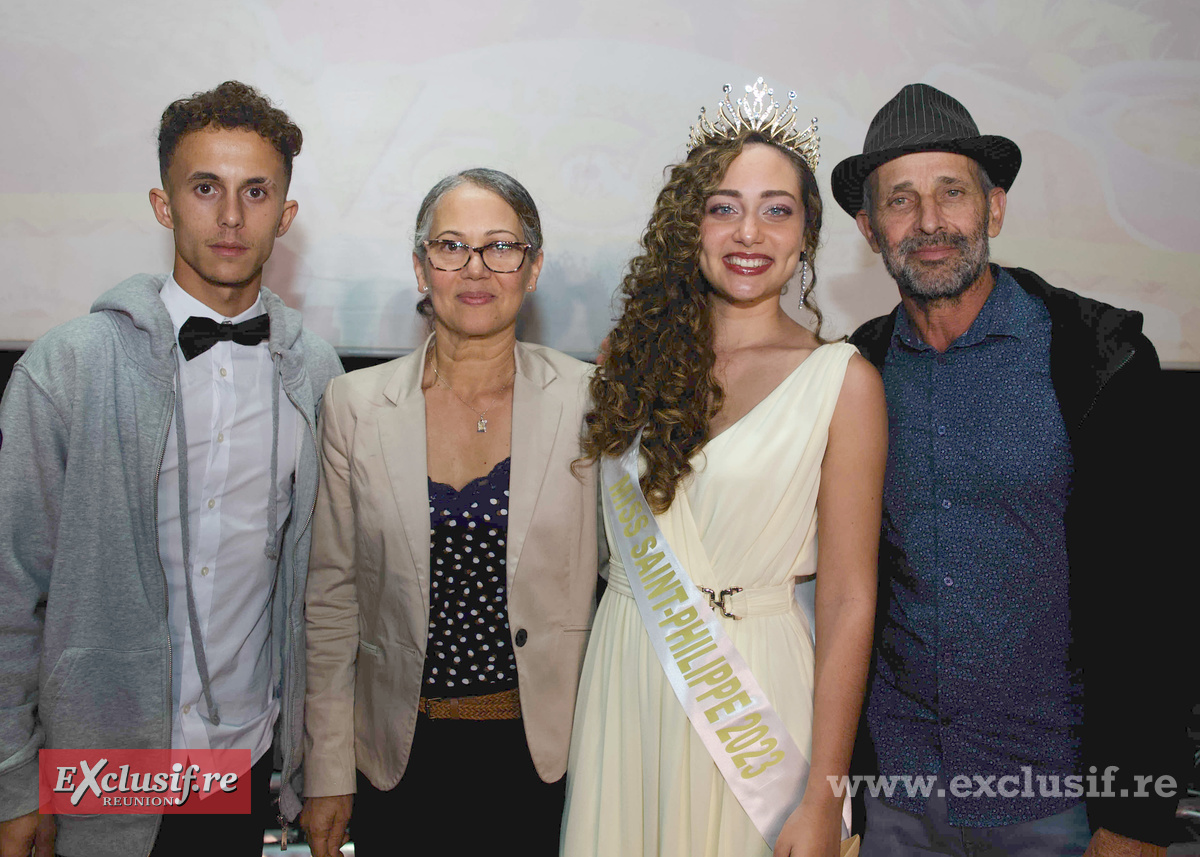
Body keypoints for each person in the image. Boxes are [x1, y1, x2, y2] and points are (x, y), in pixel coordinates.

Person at [834, 83, 1190, 856]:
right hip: (897, 796)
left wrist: (1136, 818)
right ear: (868, 229)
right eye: (901, 200)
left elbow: (1156, 598)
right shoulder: (850, 374)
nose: (930, 222)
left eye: (952, 193)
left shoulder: (1099, 361)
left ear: (994, 209)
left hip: (1058, 801)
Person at [0, 81, 342, 857]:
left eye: (255, 192)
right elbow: (9, 589)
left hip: (238, 761)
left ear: (284, 217)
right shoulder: (71, 366)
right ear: (163, 205)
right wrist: (14, 778)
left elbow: (319, 589)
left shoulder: (316, 376)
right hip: (95, 772)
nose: (230, 216)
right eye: (204, 188)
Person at [561, 79, 886, 857]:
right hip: (632, 673)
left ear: (807, 232)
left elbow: (847, 601)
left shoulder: (844, 382)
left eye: (778, 208)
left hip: (759, 696)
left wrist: (824, 792)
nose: (750, 231)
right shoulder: (625, 361)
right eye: (723, 205)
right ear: (690, 225)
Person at [300, 168, 600, 857]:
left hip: (550, 758)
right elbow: (331, 602)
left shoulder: (592, 402)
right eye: (450, 246)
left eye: (500, 246)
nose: (475, 267)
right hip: (400, 763)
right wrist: (326, 771)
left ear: (533, 267)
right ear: (419, 266)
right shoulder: (354, 406)